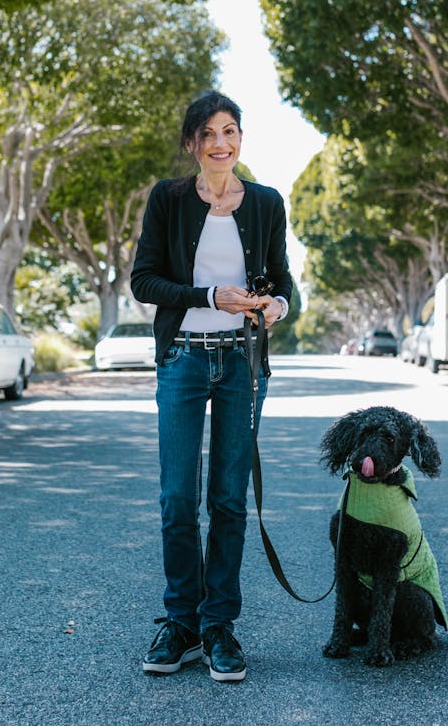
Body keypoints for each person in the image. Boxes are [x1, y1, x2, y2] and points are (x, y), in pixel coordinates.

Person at [131, 90, 292, 683]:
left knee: (227, 500)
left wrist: (272, 304)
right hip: (182, 359)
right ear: (192, 143)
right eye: (209, 134)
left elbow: (282, 281)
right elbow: (143, 281)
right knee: (178, 500)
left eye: (231, 132)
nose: (221, 144)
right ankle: (182, 623)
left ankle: (219, 625)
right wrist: (209, 298)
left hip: (241, 366)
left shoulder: (267, 203)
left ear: (240, 139)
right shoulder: (168, 200)